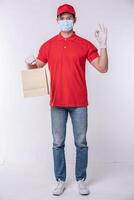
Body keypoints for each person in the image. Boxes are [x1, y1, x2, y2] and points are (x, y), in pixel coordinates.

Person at [26, 3, 108, 196]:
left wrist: (103, 45)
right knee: (58, 143)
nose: (65, 21)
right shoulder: (48, 45)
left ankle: (81, 179)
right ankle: (60, 180)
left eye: (68, 18)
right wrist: (28, 63)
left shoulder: (85, 44)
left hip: (79, 102)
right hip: (57, 103)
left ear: (74, 20)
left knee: (81, 142)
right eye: (62, 18)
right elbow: (36, 68)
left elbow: (103, 68)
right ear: (57, 20)